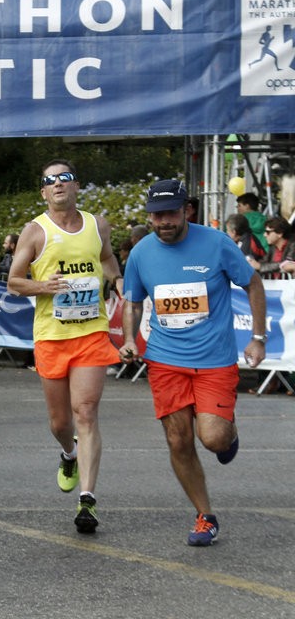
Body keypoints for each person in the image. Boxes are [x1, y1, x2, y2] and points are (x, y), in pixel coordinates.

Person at [120, 178, 266, 546]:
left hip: (214, 360)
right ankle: (205, 515)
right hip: (166, 360)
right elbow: (134, 301)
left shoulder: (216, 243)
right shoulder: (141, 253)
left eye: (170, 213)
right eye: (156, 215)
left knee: (213, 439)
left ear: (186, 210)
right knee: (178, 440)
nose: (164, 221)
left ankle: (226, 429)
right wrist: (128, 340)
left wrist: (258, 338)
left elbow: (253, 283)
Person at [7, 159, 124, 534]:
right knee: (60, 422)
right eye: (50, 181)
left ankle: (87, 500)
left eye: (65, 178)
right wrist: (44, 286)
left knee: (85, 411)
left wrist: (117, 280)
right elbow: (13, 281)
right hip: (52, 337)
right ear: (43, 192)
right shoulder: (35, 232)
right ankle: (68, 453)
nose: (58, 184)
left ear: (76, 186)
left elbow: (106, 258)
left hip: (91, 332)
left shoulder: (97, 225)